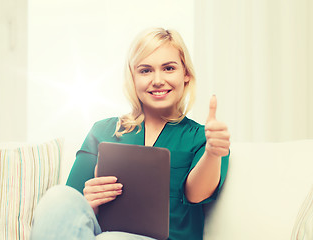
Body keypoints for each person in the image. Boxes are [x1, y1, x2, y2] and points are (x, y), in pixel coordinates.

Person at [30, 28, 230, 240]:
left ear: (186, 74)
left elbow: (197, 194)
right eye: (145, 71)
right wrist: (90, 203)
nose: (158, 80)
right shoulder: (102, 131)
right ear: (133, 78)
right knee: (56, 198)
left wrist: (213, 153)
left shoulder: (203, 138)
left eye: (169, 68)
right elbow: (69, 209)